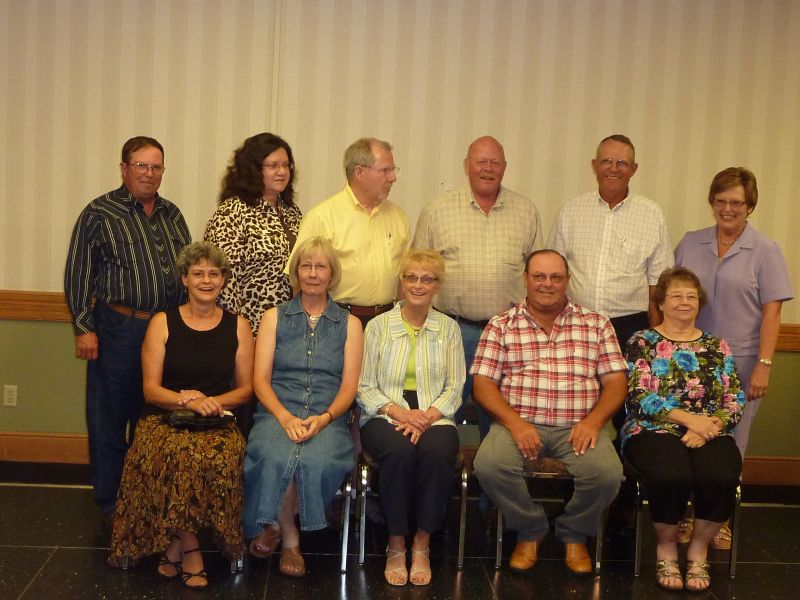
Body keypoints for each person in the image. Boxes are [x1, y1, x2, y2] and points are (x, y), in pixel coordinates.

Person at [108, 242, 255, 589]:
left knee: (219, 454)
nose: (207, 280)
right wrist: (186, 401)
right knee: (177, 453)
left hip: (217, 417)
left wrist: (209, 402)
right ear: (185, 279)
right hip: (163, 416)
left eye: (214, 274)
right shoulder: (162, 322)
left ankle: (175, 542)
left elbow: (246, 390)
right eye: (198, 273)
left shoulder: (239, 326)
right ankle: (191, 548)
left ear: (223, 281)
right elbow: (151, 391)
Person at [472, 250, 627, 575]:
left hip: (579, 427)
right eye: (539, 276)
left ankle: (574, 533)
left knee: (607, 474)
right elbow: (483, 385)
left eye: (556, 277)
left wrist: (593, 422)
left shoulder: (596, 324)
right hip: (518, 423)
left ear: (567, 281)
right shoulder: (502, 325)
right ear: (526, 279)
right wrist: (515, 424)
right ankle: (530, 528)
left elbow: (616, 383)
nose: (547, 284)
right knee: (489, 465)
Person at [547, 134, 673, 535]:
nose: (614, 168)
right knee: (577, 405)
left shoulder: (651, 214)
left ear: (634, 169)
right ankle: (577, 492)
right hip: (578, 325)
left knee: (625, 412)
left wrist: (655, 339)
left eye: (623, 163)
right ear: (594, 165)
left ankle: (619, 499)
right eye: (607, 161)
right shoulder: (572, 212)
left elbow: (659, 284)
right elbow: (553, 273)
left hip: (629, 325)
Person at [64, 136, 192, 517]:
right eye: (141, 166)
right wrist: (83, 327)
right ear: (124, 168)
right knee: (110, 417)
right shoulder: (99, 213)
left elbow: (186, 270)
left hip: (166, 330)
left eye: (156, 167)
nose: (149, 174)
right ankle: (111, 503)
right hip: (118, 327)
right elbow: (77, 276)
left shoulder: (172, 214)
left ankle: (149, 499)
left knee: (154, 417)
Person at [674, 167, 793, 549]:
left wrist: (765, 363)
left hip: (740, 361)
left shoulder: (766, 250)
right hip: (690, 359)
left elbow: (772, 314)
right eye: (721, 201)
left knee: (730, 441)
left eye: (737, 202)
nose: (728, 209)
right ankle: (688, 514)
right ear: (712, 203)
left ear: (750, 205)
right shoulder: (691, 243)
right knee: (687, 436)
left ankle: (718, 520)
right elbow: (673, 295)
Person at [244, 237, 364, 577]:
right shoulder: (273, 318)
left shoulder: (350, 325)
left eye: (320, 266)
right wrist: (283, 417)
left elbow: (349, 387)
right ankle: (292, 538)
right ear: (296, 272)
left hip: (329, 418)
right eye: (306, 266)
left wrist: (324, 418)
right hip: (276, 412)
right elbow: (260, 381)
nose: (312, 273)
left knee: (316, 460)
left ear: (332, 274)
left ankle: (274, 524)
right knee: (274, 455)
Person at [621, 267, 744, 591]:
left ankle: (699, 549)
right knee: (671, 474)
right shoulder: (642, 341)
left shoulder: (717, 346)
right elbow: (638, 396)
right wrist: (690, 420)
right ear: (661, 302)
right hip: (651, 430)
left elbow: (734, 397)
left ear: (699, 302)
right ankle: (666, 548)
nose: (684, 302)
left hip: (710, 429)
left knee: (721, 474)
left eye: (691, 296)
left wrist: (710, 425)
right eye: (676, 295)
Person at [412, 135, 542, 436]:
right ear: (467, 166)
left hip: (509, 335)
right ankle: (445, 476)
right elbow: (417, 271)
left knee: (503, 421)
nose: (488, 168)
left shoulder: (526, 211)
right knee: (442, 415)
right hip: (452, 331)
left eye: (495, 162)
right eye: (481, 161)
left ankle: (491, 480)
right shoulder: (438, 210)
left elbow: (538, 274)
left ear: (505, 167)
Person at [357, 249, 465, 586]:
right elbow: (364, 385)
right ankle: (396, 543)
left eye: (427, 278)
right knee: (399, 452)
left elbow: (456, 386)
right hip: (384, 412)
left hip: (435, 414)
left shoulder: (448, 328)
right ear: (401, 282)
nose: (418, 285)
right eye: (411, 277)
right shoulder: (377, 326)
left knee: (436, 452)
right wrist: (401, 413)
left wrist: (426, 417)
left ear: (437, 285)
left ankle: (422, 543)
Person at [287, 137, 409, 328]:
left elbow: (404, 277)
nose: (393, 177)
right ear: (359, 172)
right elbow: (297, 280)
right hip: (334, 321)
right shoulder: (322, 217)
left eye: (393, 170)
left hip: (387, 322)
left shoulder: (398, 217)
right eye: (385, 170)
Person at [204, 132, 303, 336]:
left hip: (289, 328)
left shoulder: (292, 212)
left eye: (286, 165)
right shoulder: (232, 212)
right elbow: (224, 280)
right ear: (253, 170)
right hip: (249, 330)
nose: (282, 172)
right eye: (273, 165)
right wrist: (238, 333)